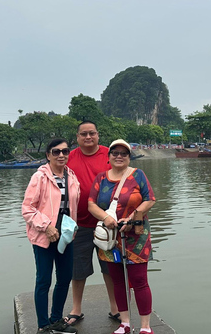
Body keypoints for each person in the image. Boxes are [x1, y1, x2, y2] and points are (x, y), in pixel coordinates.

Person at [88, 139, 156, 334]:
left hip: (136, 235)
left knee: (140, 280)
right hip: (110, 237)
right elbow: (91, 204)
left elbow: (149, 199)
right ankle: (124, 322)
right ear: (108, 156)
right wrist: (106, 218)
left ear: (129, 156)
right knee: (118, 280)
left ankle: (145, 326)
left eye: (123, 153)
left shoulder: (138, 175)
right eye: (115, 153)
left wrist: (132, 218)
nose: (119, 156)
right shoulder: (101, 178)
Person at [22, 138, 81, 333]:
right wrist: (46, 226)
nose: (61, 155)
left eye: (65, 151)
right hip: (44, 236)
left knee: (64, 278)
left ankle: (56, 320)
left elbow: (73, 206)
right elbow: (27, 208)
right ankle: (43, 325)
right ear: (48, 155)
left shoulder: (71, 177)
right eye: (56, 152)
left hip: (65, 236)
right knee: (44, 280)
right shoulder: (39, 177)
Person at [65, 121, 119, 326]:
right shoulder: (68, 157)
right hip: (78, 224)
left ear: (98, 135)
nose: (88, 137)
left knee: (110, 267)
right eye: (84, 134)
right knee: (77, 269)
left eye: (92, 133)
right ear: (77, 137)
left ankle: (115, 307)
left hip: (107, 224)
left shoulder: (110, 155)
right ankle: (76, 309)